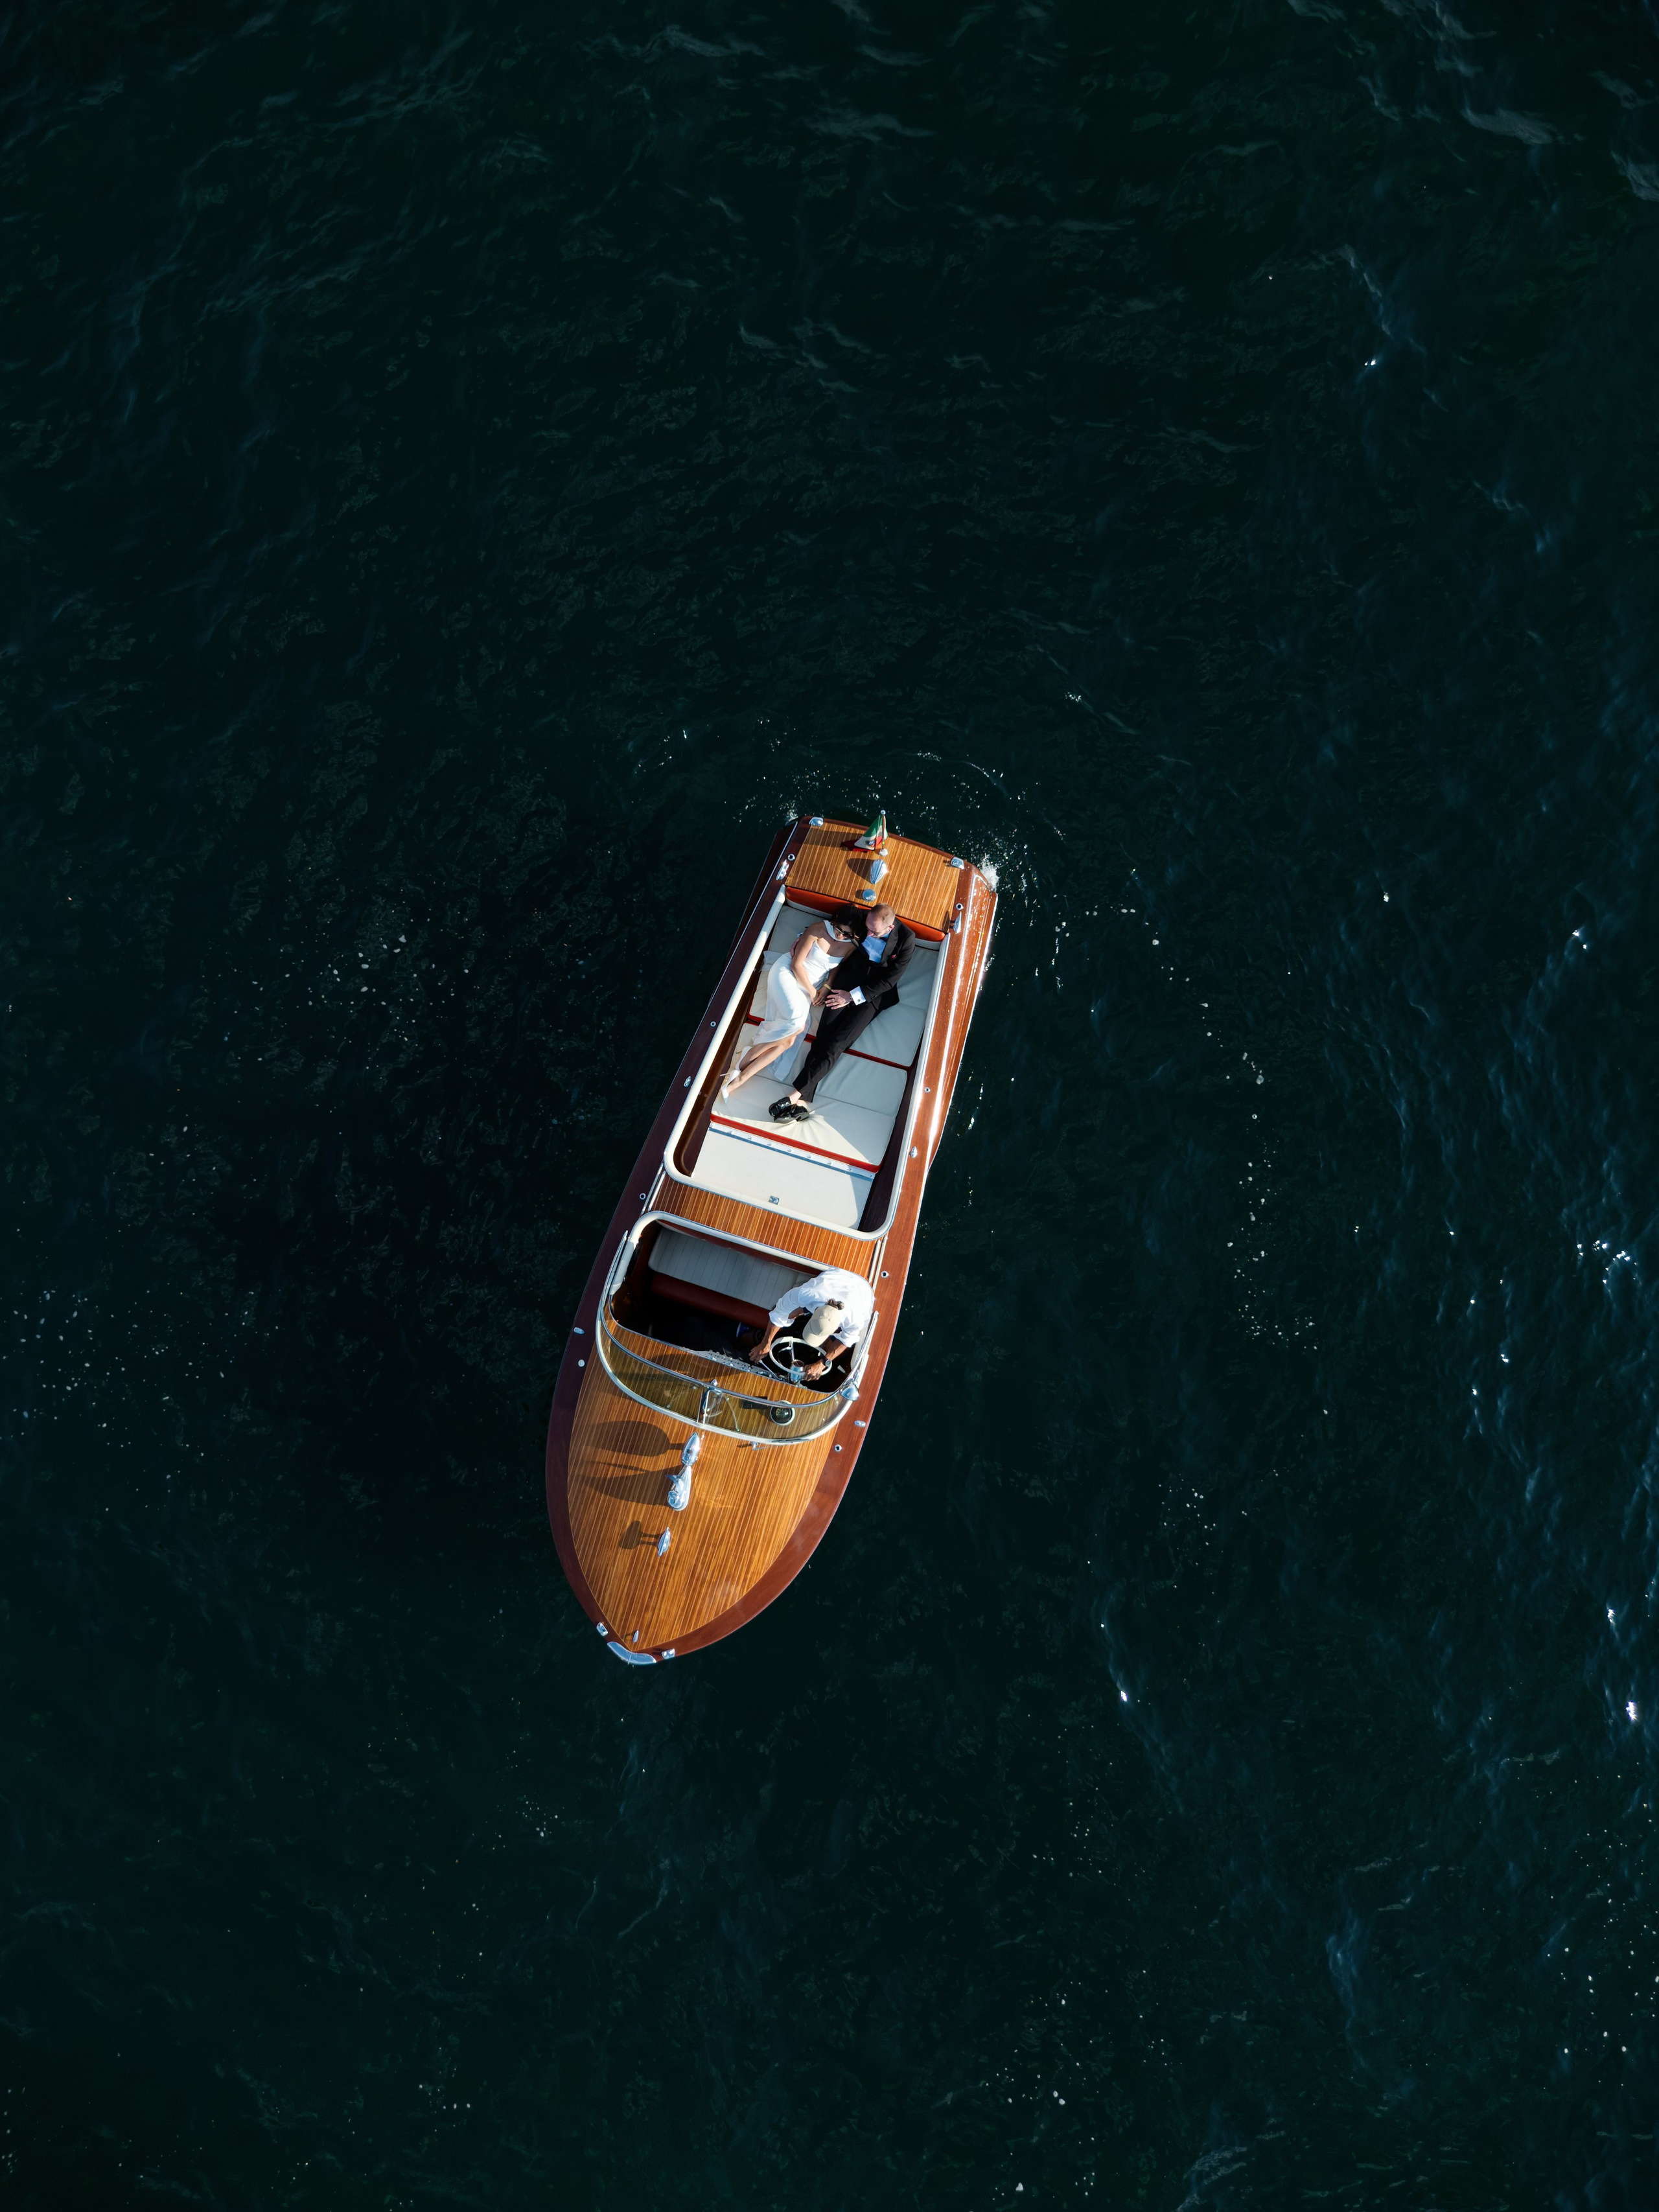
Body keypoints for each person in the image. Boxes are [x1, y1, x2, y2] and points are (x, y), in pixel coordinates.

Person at [768, 903, 915, 1122]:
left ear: (890, 928)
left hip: (872, 995)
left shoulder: (906, 939)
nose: (869, 934)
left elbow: (889, 980)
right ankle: (801, 1102)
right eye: (868, 929)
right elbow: (830, 927)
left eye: (874, 932)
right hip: (846, 979)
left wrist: (851, 997)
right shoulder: (862, 919)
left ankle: (793, 1096)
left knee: (838, 1043)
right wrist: (801, 939)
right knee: (823, 1036)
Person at [721, 907, 864, 1101]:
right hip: (788, 974)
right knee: (797, 1025)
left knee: (788, 1041)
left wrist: (827, 986)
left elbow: (835, 968)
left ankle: (739, 1080)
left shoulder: (851, 946)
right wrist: (813, 992)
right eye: (839, 929)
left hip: (810, 988)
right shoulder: (817, 929)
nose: (840, 935)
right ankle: (747, 1057)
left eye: (846, 934)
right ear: (835, 921)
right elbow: (796, 964)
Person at [748, 1266, 877, 1383]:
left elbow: (847, 1340)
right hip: (838, 1275)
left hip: (863, 1289)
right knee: (789, 1314)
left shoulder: (855, 1320)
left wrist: (822, 1363)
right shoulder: (806, 1293)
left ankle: (826, 1344)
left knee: (832, 1348)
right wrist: (766, 1344)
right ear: (814, 1313)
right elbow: (779, 1313)